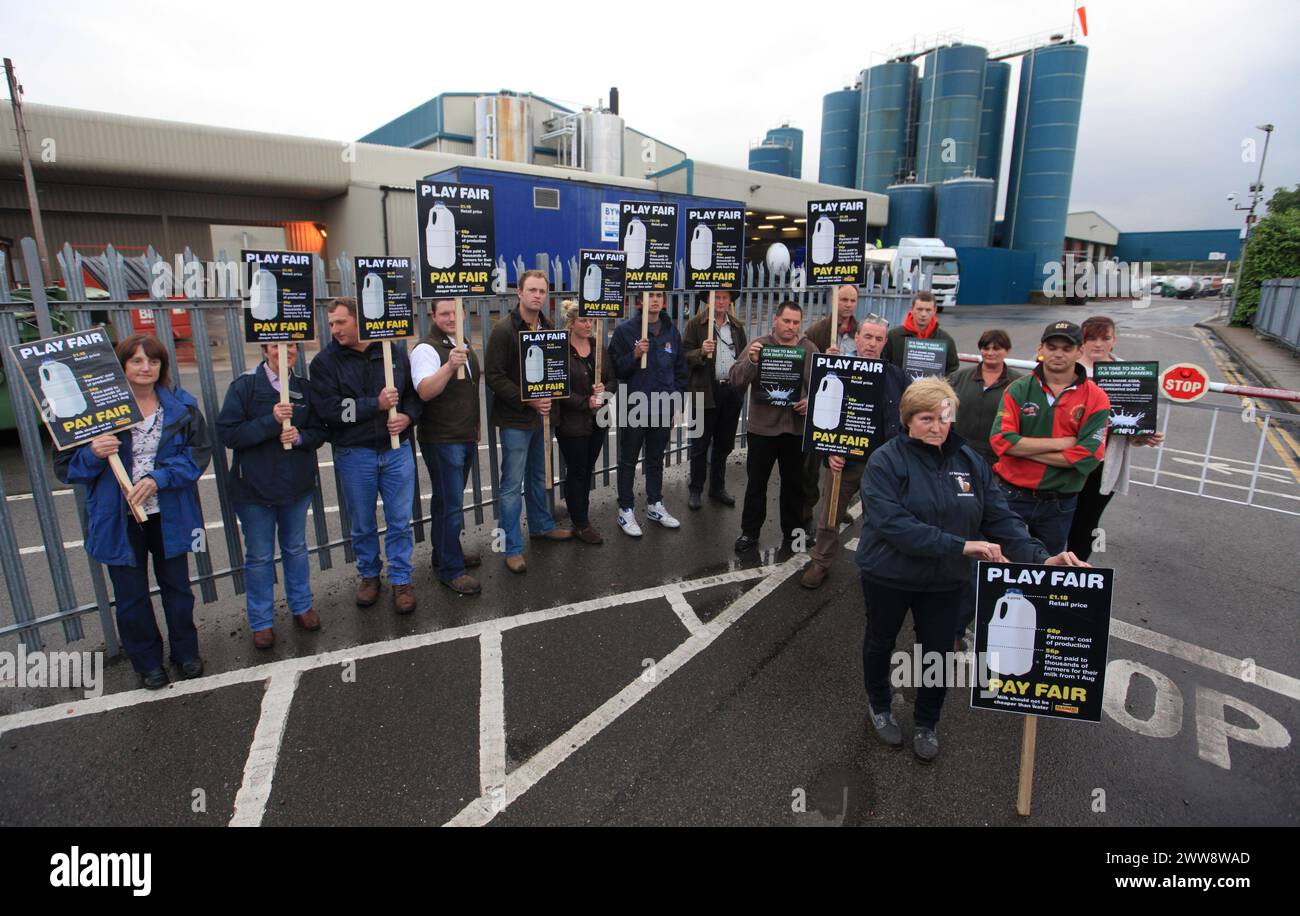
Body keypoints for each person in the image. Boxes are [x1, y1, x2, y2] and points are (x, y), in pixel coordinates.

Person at [856, 377, 1089, 761]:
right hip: (890, 574)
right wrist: (961, 545)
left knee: (937, 652)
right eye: (926, 418)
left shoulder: (970, 462)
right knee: (880, 641)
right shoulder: (885, 460)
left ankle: (927, 721)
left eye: (943, 418)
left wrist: (1041, 557)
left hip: (946, 580)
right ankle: (879, 704)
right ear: (907, 419)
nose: (936, 427)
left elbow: (1000, 517)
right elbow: (893, 525)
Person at [54, 334, 210, 689]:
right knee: (131, 596)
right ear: (121, 366)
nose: (146, 368)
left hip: (167, 513)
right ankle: (147, 662)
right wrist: (92, 453)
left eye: (153, 361)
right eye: (137, 361)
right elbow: (66, 469)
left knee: (178, 588)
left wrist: (159, 478)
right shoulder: (92, 413)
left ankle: (186, 652)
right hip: (118, 518)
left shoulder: (181, 406)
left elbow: (197, 455)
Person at [309, 297, 422, 613]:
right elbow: (329, 411)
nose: (335, 329)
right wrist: (375, 404)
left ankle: (401, 579)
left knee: (400, 521)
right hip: (355, 453)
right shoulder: (325, 363)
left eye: (341, 322)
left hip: (396, 450)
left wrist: (408, 418)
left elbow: (412, 397)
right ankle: (370, 575)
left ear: (361, 321)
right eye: (331, 323)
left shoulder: (392, 352)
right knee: (362, 523)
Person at [217, 343, 328, 648]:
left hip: (296, 486)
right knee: (260, 556)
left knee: (295, 548)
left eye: (292, 346)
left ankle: (302, 606)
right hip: (254, 489)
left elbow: (320, 431)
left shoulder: (303, 388)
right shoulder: (245, 386)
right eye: (279, 346)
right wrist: (271, 421)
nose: (286, 351)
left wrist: (301, 436)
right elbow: (229, 434)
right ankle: (262, 622)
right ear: (265, 350)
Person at [800, 313, 908, 589]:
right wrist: (829, 452)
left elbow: (909, 421)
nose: (872, 343)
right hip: (845, 460)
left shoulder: (897, 377)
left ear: (885, 343)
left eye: (878, 339)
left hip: (883, 463)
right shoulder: (836, 370)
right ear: (857, 338)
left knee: (882, 516)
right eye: (867, 337)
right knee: (830, 516)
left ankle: (879, 566)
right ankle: (820, 562)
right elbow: (820, 414)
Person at [989, 321, 1111, 555]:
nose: (1058, 354)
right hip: (1011, 494)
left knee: (1046, 571)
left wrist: (1022, 447)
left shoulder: (1097, 397)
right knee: (997, 563)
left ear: (1079, 351)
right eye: (1052, 347)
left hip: (1059, 502)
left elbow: (1088, 456)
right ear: (1041, 348)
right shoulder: (1018, 389)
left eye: (1066, 349)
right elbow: (1000, 441)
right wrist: (1063, 443)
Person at [485, 270, 573, 573]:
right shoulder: (504, 330)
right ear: (519, 294)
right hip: (515, 420)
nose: (537, 295)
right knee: (511, 486)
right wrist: (528, 399)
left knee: (538, 476)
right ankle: (511, 547)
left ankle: (541, 525)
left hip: (541, 420)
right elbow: (494, 376)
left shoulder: (549, 327)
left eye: (542, 291)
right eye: (532, 290)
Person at [1066, 315, 1165, 560]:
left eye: (1104, 338)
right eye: (1091, 338)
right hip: (1067, 459)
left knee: (1087, 521)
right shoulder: (1067, 368)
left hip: (1103, 461)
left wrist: (1143, 436)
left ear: (1114, 340)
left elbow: (1133, 422)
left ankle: (1074, 574)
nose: (1098, 344)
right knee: (1058, 518)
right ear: (1082, 340)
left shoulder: (1128, 372)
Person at [730, 300, 819, 553]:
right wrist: (753, 361)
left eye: (795, 323)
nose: (791, 327)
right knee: (756, 483)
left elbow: (821, 385)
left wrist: (808, 402)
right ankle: (749, 533)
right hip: (762, 430)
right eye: (786, 321)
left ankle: (794, 534)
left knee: (795, 486)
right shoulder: (760, 344)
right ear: (776, 320)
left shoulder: (809, 348)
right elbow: (736, 379)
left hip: (795, 430)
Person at [413, 297, 483, 595]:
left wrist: (474, 427)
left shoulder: (460, 340)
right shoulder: (426, 348)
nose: (450, 318)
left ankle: (444, 552)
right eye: (443, 314)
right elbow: (425, 391)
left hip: (463, 435)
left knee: (447, 501)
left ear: (463, 312)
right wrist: (448, 366)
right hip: (442, 439)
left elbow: (467, 389)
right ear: (433, 315)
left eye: (455, 312)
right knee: (451, 505)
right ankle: (451, 569)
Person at [608, 290, 689, 536]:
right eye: (649, 295)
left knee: (655, 459)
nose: (654, 299)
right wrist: (634, 355)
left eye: (658, 295)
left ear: (664, 301)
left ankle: (655, 504)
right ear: (640, 300)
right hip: (635, 405)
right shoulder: (625, 331)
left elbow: (680, 371)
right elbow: (616, 371)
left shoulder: (671, 331)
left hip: (663, 406)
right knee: (628, 460)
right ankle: (626, 509)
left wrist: (676, 404)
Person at [682, 288, 747, 510]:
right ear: (708, 300)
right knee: (700, 444)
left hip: (730, 392)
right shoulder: (695, 325)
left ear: (730, 301)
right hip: (704, 391)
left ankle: (717, 487)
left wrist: (740, 388)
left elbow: (744, 357)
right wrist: (700, 351)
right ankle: (696, 489)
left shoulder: (737, 327)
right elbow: (683, 356)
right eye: (716, 297)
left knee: (724, 444)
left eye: (724, 297)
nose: (720, 301)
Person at [801, 284, 861, 523]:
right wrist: (824, 358)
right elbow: (807, 364)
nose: (847, 304)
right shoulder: (817, 330)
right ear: (834, 300)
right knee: (813, 464)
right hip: (824, 403)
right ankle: (807, 509)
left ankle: (837, 504)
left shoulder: (861, 331)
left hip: (850, 403)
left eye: (851, 300)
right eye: (843, 299)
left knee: (845, 460)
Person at [555, 301, 613, 544]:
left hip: (598, 422)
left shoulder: (598, 347)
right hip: (572, 424)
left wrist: (604, 390)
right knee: (577, 471)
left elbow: (613, 380)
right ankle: (581, 523)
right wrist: (585, 402)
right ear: (571, 323)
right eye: (583, 320)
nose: (588, 324)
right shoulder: (561, 349)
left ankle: (580, 513)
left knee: (587, 469)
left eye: (591, 320)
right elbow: (558, 388)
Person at [947, 329, 1022, 466]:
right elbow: (946, 415)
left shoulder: (1019, 384)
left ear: (1007, 350)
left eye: (996, 348)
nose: (990, 353)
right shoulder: (957, 378)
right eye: (985, 348)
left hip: (999, 459)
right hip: (959, 454)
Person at [880, 290, 960, 376]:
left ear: (935, 310)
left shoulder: (945, 339)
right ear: (911, 309)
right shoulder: (893, 336)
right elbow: (883, 365)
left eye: (928, 310)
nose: (923, 314)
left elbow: (953, 371)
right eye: (919, 309)